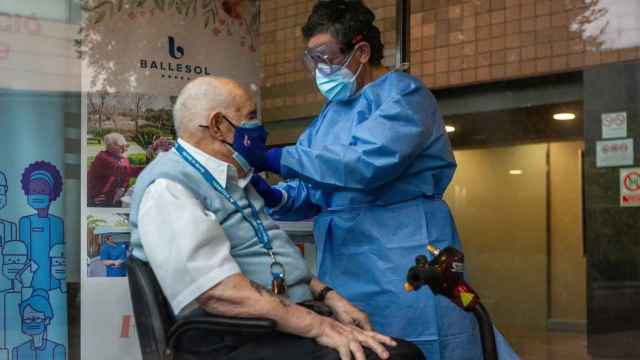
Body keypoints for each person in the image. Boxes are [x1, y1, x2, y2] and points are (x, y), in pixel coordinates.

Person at [241, 1, 519, 359]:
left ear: (361, 50)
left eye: (325, 57)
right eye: (311, 59)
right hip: (345, 261)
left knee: (420, 345)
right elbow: (317, 184)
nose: (319, 70)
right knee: (360, 346)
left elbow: (362, 165)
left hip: (402, 248)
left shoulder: (404, 96)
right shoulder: (331, 113)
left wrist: (275, 157)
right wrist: (277, 196)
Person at [128, 76, 424, 360]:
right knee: (399, 356)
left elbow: (273, 259)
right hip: (228, 339)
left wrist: (329, 297)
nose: (259, 127)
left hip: (270, 326)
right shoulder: (169, 187)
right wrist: (319, 325)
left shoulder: (231, 180)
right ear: (219, 125)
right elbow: (217, 292)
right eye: (251, 115)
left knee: (397, 350)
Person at [18, 161, 64, 291]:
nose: (38, 194)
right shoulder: (25, 222)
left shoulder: (58, 222)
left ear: (51, 194)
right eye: (33, 191)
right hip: (31, 282)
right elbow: (23, 253)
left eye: (43, 191)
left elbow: (59, 252)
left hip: (55, 282)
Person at [87, 132, 143, 207]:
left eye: (126, 146)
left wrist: (122, 190)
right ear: (110, 146)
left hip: (115, 198)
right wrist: (148, 170)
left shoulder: (122, 158)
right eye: (121, 146)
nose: (125, 149)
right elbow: (122, 171)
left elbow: (126, 177)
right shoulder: (103, 158)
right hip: (100, 201)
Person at [11, 289, 66, 360]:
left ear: (46, 320)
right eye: (27, 319)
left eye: (37, 318)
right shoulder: (17, 351)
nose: (32, 322)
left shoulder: (56, 349)